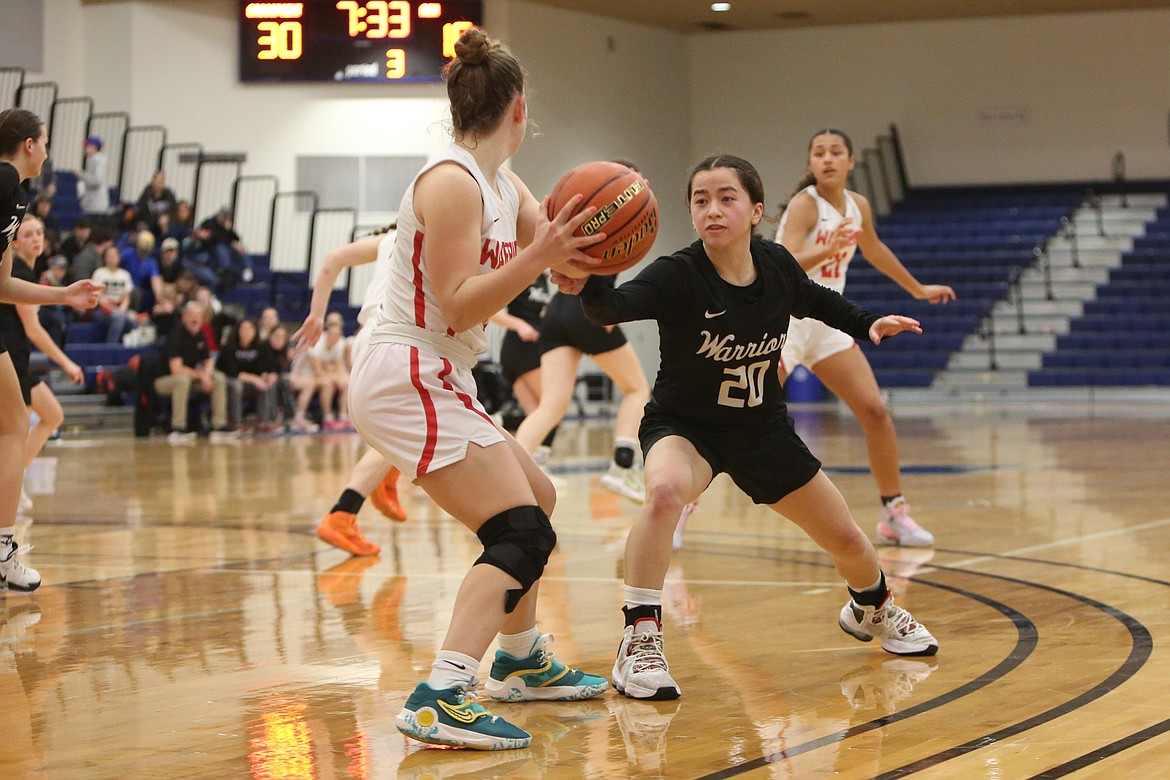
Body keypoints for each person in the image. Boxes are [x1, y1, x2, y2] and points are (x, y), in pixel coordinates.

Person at [550, 154, 939, 702]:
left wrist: (866, 321)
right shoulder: (678, 274)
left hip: (761, 431)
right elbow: (607, 309)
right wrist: (592, 273)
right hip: (686, 428)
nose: (713, 209)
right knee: (662, 492)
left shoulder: (776, 264)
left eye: (726, 198)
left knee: (848, 539)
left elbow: (816, 300)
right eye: (701, 200)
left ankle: (873, 609)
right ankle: (639, 639)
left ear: (756, 210)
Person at [346, 27, 609, 750]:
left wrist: (580, 254)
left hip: (440, 369)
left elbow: (549, 253)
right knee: (518, 530)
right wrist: (541, 257)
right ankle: (442, 692)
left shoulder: (503, 182)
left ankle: (519, 662)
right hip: (406, 368)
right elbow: (461, 302)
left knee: (541, 499)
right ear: (520, 108)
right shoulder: (451, 181)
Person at [776, 129, 956, 548]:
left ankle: (894, 513)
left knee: (875, 411)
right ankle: (683, 509)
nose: (827, 159)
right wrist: (827, 249)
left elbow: (874, 250)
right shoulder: (806, 206)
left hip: (828, 320)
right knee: (740, 417)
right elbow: (782, 265)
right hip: (787, 320)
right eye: (818, 153)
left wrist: (917, 289)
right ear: (810, 164)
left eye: (835, 152)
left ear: (851, 161)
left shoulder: (858, 206)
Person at [0, 107, 103, 591]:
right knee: (16, 426)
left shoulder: (16, 196)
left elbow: (3, 285)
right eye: (44, 142)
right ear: (27, 145)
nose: (47, 152)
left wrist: (64, 294)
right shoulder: (3, 180)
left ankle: (4, 549)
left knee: (17, 425)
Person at [291, 227, 407, 558]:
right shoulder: (441, 225)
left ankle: (379, 479)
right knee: (415, 424)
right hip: (397, 338)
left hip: (366, 338)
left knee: (407, 424)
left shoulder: (389, 237)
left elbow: (332, 259)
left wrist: (316, 315)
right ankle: (360, 497)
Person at [4, 216, 85, 516]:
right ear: (14, 241)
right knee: (16, 432)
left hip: (18, 359)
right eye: (28, 234)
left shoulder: (28, 271)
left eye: (39, 233)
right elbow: (33, 329)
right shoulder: (17, 273)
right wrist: (65, 362)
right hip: (9, 361)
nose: (36, 238)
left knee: (51, 415)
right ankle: (9, 487)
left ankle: (13, 481)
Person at [154, 301, 234, 443]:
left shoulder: (200, 336)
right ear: (184, 317)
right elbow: (176, 369)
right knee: (182, 379)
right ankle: (178, 428)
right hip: (164, 380)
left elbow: (209, 361)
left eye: (198, 316)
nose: (195, 319)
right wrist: (201, 376)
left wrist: (207, 375)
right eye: (191, 315)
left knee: (219, 377)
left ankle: (218, 425)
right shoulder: (176, 336)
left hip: (190, 379)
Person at [218, 318, 279, 430]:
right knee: (237, 386)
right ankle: (236, 422)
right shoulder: (229, 347)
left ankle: (265, 422)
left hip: (250, 381)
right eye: (243, 329)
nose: (247, 332)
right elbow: (234, 373)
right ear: (238, 331)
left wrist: (266, 376)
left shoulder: (261, 347)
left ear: (255, 331)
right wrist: (255, 379)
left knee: (266, 385)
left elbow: (264, 368)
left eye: (250, 329)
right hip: (230, 380)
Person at [90, 245, 134, 344]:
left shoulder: (125, 275)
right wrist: (112, 309)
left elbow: (127, 297)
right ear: (105, 258)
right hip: (101, 310)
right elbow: (98, 296)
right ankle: (111, 347)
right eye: (109, 256)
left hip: (120, 308)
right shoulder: (99, 273)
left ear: (119, 258)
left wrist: (122, 309)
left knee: (133, 320)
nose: (112, 258)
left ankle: (127, 347)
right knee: (118, 318)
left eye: (114, 256)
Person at [78, 135, 109, 220]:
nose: (85, 149)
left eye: (88, 146)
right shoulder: (93, 160)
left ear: (94, 147)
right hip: (91, 204)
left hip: (96, 206)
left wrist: (81, 174)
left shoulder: (98, 161)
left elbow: (97, 181)